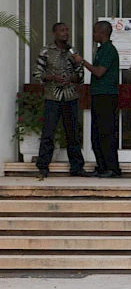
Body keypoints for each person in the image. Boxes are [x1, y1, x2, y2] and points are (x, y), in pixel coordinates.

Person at [32, 23, 91, 179]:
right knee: (48, 132)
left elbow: (80, 75)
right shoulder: (46, 51)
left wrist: (72, 78)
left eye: (67, 31)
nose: (65, 33)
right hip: (52, 97)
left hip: (70, 97)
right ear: (54, 33)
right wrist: (52, 77)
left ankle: (77, 167)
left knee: (72, 133)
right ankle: (43, 166)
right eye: (62, 31)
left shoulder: (73, 52)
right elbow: (37, 73)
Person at [73, 20, 121, 178]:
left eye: (95, 32)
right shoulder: (101, 50)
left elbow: (99, 72)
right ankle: (102, 166)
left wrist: (82, 62)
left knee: (106, 132)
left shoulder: (109, 50)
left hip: (107, 96)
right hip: (98, 95)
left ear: (103, 33)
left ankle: (112, 168)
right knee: (97, 133)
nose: (93, 35)